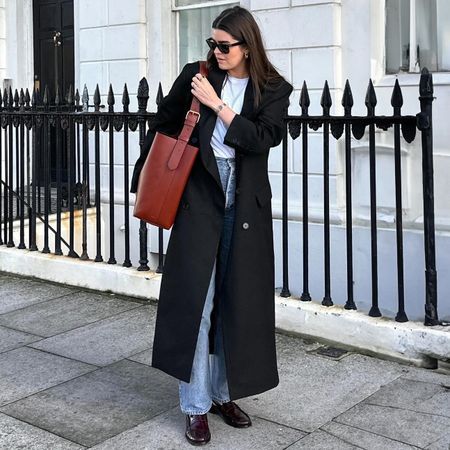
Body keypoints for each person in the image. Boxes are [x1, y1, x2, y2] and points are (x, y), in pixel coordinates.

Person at [131, 5, 293, 446]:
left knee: (234, 302)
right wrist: (146, 174)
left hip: (244, 203)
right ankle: (195, 405)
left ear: (247, 46)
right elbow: (163, 123)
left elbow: (261, 139)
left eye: (225, 45)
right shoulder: (196, 74)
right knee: (197, 303)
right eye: (213, 44)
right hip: (199, 195)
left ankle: (223, 394)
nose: (216, 52)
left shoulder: (274, 88)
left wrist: (217, 106)